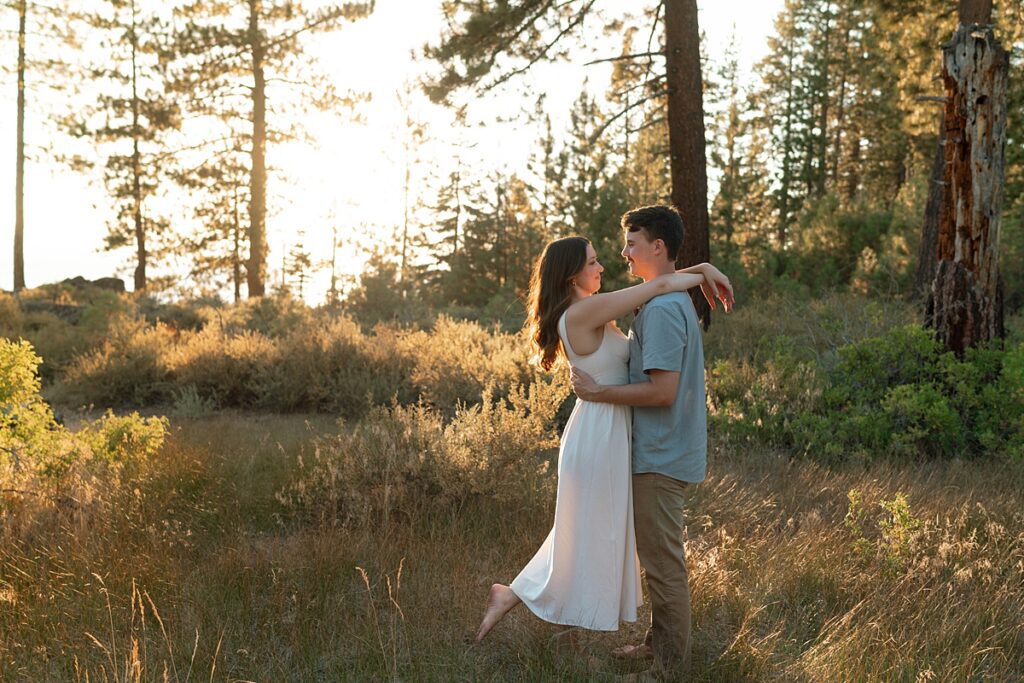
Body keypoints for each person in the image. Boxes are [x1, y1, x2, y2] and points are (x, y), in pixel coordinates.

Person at [473, 231, 732, 646]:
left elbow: (660, 284)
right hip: (598, 431)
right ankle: (524, 599)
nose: (602, 267)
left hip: (608, 427)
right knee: (588, 533)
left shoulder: (590, 308)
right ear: (572, 273)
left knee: (587, 532)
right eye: (593, 262)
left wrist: (701, 271)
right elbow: (660, 284)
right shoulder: (582, 314)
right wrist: (704, 271)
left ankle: (519, 596)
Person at [571, 205, 724, 680]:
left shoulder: (660, 311)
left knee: (663, 564)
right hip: (661, 451)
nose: (624, 253)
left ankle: (668, 667)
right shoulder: (669, 300)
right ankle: (657, 643)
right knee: (658, 558)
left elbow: (662, 391)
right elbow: (669, 281)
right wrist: (704, 272)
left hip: (659, 455)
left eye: (632, 243)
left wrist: (599, 393)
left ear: (658, 247)